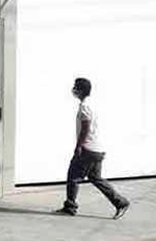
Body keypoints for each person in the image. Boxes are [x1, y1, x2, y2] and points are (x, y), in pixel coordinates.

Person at [55, 78, 131, 219]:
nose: (73, 90)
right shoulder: (93, 104)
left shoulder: (85, 106)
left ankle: (70, 207)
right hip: (97, 149)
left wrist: (79, 146)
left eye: (76, 87)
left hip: (88, 149)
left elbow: (85, 128)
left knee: (73, 177)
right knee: (96, 178)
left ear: (81, 90)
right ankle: (121, 203)